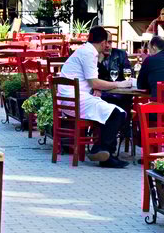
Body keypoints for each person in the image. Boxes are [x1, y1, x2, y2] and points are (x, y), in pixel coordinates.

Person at [56, 27, 133, 168]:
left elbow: (90, 80)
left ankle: (100, 150)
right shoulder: (89, 53)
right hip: (76, 100)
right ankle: (104, 154)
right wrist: (119, 84)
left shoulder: (85, 50)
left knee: (110, 112)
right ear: (103, 42)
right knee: (118, 113)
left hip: (70, 99)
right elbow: (94, 81)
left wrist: (96, 86)